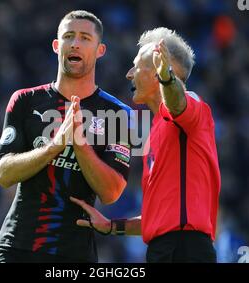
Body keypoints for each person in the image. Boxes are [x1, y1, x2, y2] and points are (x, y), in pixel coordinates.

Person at [71, 27, 221, 263]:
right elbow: (157, 220)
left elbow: (178, 102)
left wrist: (167, 78)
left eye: (137, 65)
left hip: (186, 248)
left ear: (160, 69)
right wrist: (111, 226)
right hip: (163, 249)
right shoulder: (154, 131)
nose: (129, 74)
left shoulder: (191, 103)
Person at [0, 10, 133, 263]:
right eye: (68, 36)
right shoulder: (24, 100)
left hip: (75, 252)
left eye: (84, 38)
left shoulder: (120, 114)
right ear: (57, 46)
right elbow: (3, 174)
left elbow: (112, 192)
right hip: (19, 246)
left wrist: (80, 145)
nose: (75, 43)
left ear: (100, 50)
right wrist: (53, 147)